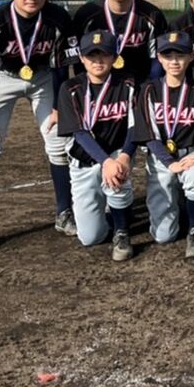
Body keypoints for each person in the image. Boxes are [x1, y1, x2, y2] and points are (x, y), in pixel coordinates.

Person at [0, 0, 78, 253]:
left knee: (59, 140)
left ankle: (64, 212)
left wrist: (58, 108)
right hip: (2, 78)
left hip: (43, 77)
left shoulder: (58, 18)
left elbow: (61, 68)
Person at [56, 29, 138, 262]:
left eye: (104, 54)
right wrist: (106, 162)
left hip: (117, 154)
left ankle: (121, 230)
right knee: (90, 237)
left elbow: (135, 126)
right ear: (82, 58)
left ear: (115, 57)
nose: (98, 61)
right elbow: (79, 132)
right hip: (84, 160)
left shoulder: (128, 83)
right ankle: (114, 211)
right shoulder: (70, 88)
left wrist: (124, 156)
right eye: (91, 55)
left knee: (117, 175)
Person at [137, 31, 194, 257]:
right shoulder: (149, 90)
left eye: (180, 55)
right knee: (163, 236)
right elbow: (148, 134)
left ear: (191, 57)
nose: (174, 61)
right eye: (168, 56)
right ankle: (180, 202)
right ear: (159, 58)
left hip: (190, 153)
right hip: (161, 158)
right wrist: (169, 162)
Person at [71, 0, 169, 84]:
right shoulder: (87, 15)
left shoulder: (152, 15)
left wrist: (150, 89)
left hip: (139, 86)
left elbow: (157, 60)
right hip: (98, 86)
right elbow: (78, 58)